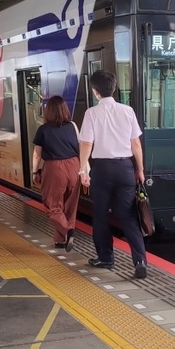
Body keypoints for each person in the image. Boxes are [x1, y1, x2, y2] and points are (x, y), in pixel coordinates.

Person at [78, 70, 148, 279]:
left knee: (100, 215)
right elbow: (135, 143)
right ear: (114, 88)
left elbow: (86, 144)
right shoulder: (127, 111)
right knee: (128, 216)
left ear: (95, 91)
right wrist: (140, 169)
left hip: (102, 170)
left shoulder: (92, 113)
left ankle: (106, 258)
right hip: (125, 168)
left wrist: (83, 169)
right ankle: (140, 260)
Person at [31, 96, 80, 252]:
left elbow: (37, 155)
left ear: (48, 111)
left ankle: (67, 231)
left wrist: (34, 171)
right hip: (74, 166)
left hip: (54, 168)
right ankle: (60, 240)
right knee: (70, 205)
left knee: (52, 205)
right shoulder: (72, 126)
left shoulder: (43, 130)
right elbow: (80, 147)